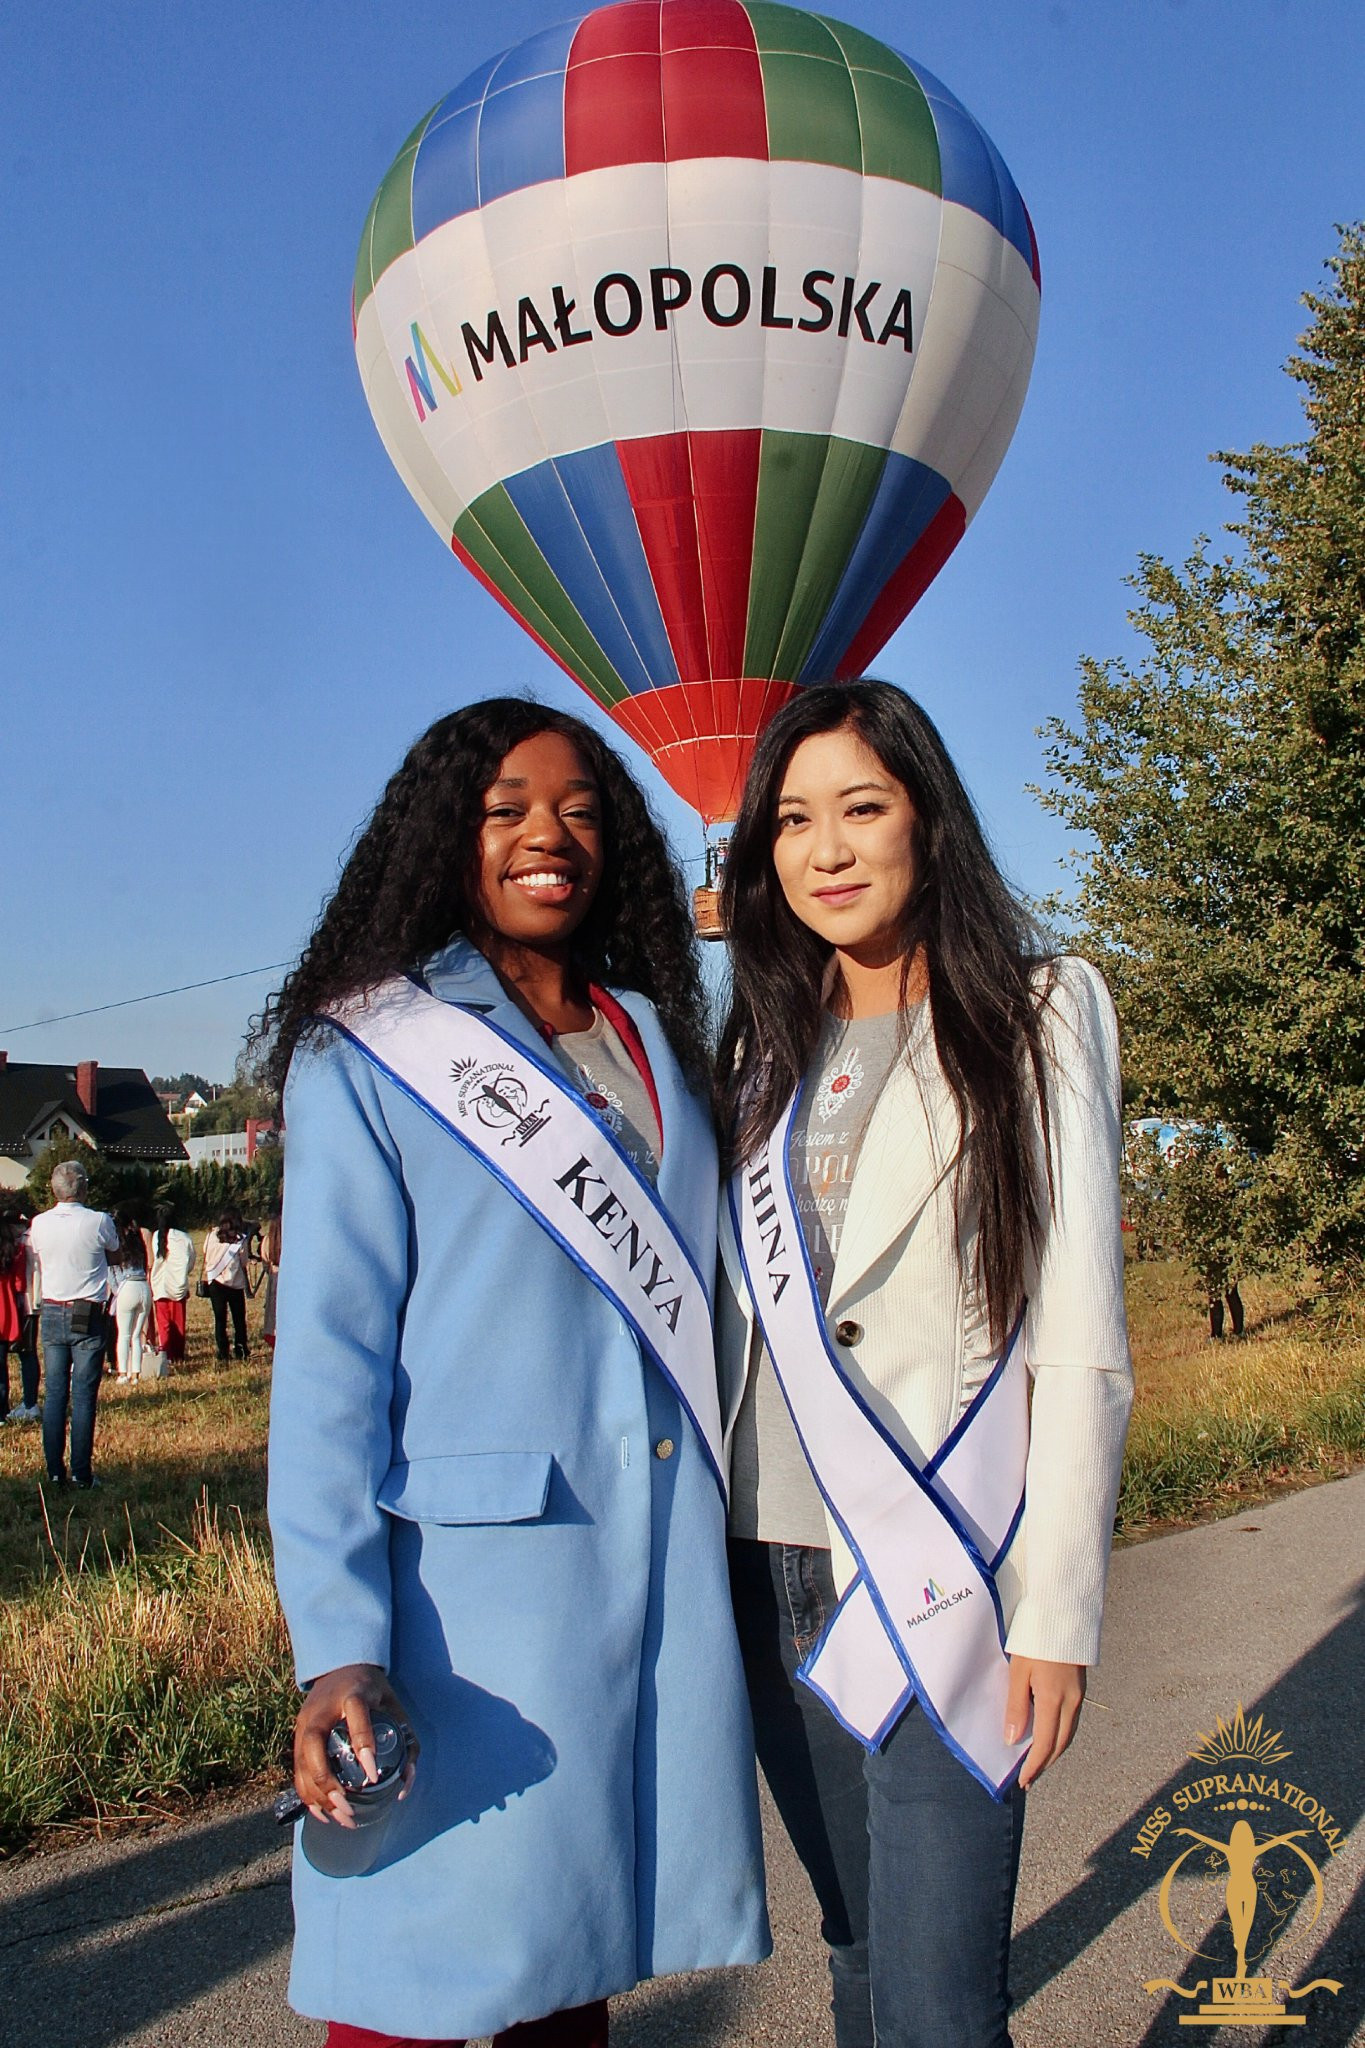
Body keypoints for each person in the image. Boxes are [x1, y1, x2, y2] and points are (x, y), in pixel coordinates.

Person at [261, 700, 769, 2047]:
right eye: (507, 809)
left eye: (585, 809)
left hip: (647, 1562)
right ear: (446, 836)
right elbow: (327, 1376)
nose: (552, 835)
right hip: (463, 1600)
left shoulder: (653, 1036)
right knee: (413, 1971)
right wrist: (339, 1647)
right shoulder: (372, 1047)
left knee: (570, 1952)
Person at [714, 681, 1134, 2048]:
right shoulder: (759, 1045)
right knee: (854, 1960)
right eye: (792, 819)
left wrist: (1056, 1611)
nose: (825, 849)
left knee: (940, 2005)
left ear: (928, 823)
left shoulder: (1038, 1009)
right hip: (763, 1560)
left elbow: (1081, 1335)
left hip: (942, 1570)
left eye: (861, 808)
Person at [28, 1159, 119, 1488]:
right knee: (82, 1397)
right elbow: (115, 1251)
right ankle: (81, 1472)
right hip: (87, 1312)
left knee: (54, 1395)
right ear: (82, 1187)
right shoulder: (98, 1221)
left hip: (52, 1308)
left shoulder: (39, 1224)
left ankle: (54, 1471)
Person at [1, 1202, 40, 1421]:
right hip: (28, 1303)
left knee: (26, 1354)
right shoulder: (24, 1242)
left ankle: (29, 1403)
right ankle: (29, 1401)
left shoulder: (22, 1243)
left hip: (23, 1303)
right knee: (27, 1354)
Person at [147, 1205, 195, 1375]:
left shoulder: (156, 1237)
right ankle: (178, 1354)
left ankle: (166, 1351)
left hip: (160, 1284)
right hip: (177, 1284)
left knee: (164, 1322)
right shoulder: (184, 1238)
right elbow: (191, 1261)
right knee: (178, 1322)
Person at [107, 1206, 153, 1383]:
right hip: (143, 1286)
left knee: (124, 1335)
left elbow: (112, 1273)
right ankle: (136, 1373)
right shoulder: (138, 1240)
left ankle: (123, 1373)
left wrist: (118, 1291)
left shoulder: (116, 1243)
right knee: (136, 1334)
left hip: (126, 1287)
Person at [201, 1209, 251, 1362]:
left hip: (216, 1282)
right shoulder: (240, 1239)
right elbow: (244, 1261)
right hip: (235, 1283)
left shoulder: (211, 1236)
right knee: (239, 1319)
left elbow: (205, 1253)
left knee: (220, 1319)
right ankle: (241, 1349)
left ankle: (223, 1351)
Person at [257, 1209, 281, 1351]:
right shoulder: (293, 1240)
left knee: (273, 1315)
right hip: (289, 1281)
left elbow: (265, 1263)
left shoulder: (267, 1240)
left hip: (274, 1278)